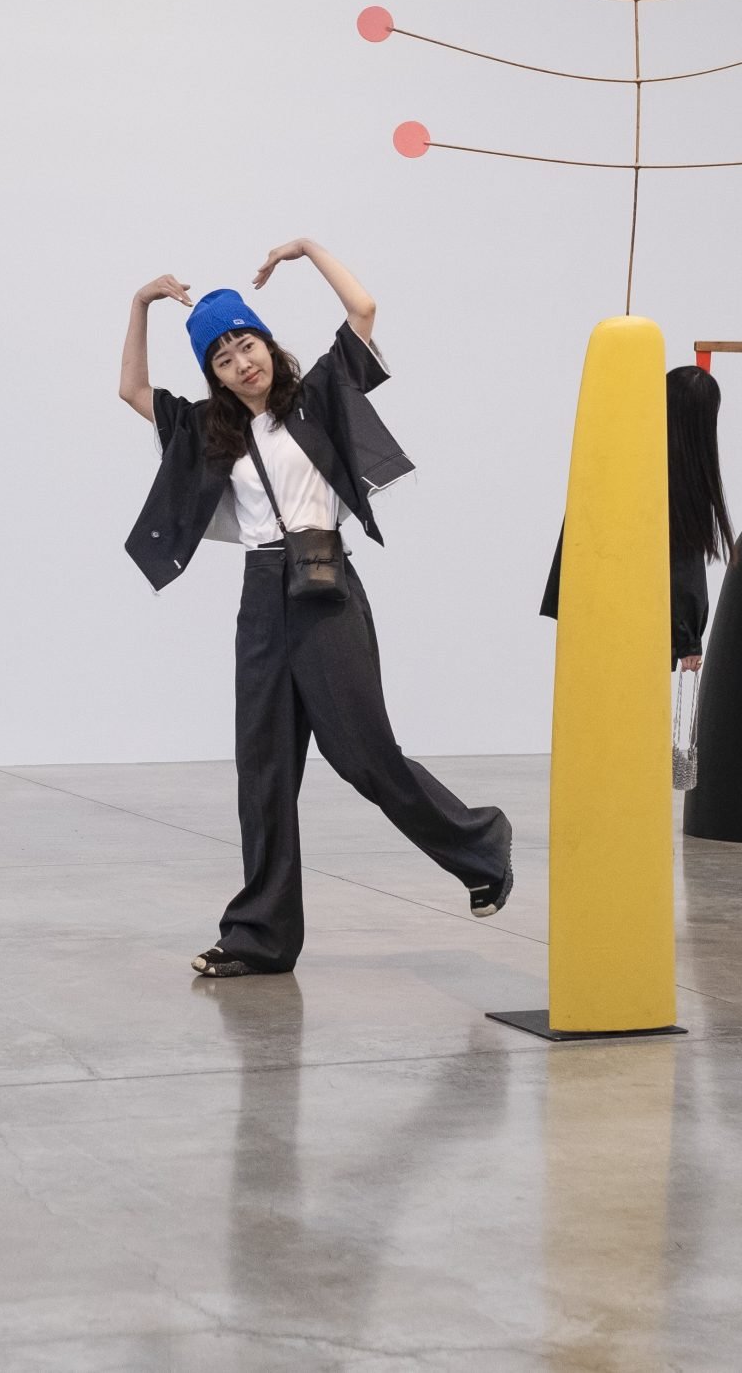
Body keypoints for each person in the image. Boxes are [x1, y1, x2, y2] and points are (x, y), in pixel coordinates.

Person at [120, 240, 514, 979]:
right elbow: (131, 389)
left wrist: (306, 248)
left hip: (326, 586)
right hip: (261, 596)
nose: (243, 362)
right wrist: (140, 303)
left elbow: (363, 309)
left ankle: (481, 846)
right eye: (224, 357)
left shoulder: (321, 394)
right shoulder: (210, 432)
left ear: (268, 342)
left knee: (364, 757)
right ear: (212, 373)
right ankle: (259, 936)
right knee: (263, 770)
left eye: (248, 343)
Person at [538, 363, 736, 671]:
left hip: (587, 606)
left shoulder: (619, 451)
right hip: (641, 624)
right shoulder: (683, 480)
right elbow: (685, 564)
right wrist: (689, 641)